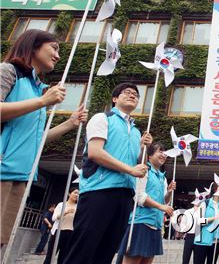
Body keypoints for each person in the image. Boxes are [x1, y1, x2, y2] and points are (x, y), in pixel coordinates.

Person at [1, 29, 88, 248]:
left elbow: (35, 139)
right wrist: (42, 102)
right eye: (54, 48)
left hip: (21, 175)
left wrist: (70, 123)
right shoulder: (8, 71)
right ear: (33, 46)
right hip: (2, 169)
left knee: (2, 241)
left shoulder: (36, 88)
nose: (58, 56)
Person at [62, 83, 152, 264]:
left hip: (125, 194)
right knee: (84, 248)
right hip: (99, 191)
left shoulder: (135, 132)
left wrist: (143, 148)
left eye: (136, 95)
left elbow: (135, 162)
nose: (132, 95)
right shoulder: (102, 118)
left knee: (106, 251)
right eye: (127, 92)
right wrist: (130, 170)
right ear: (115, 99)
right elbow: (95, 153)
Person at [116, 142, 176, 264]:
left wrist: (169, 192)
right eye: (160, 151)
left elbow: (164, 201)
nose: (163, 155)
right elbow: (139, 197)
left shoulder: (162, 178)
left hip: (156, 225)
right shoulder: (143, 170)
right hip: (141, 223)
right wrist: (161, 206)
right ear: (149, 156)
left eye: (164, 153)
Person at [43, 188, 79, 264]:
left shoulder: (78, 207)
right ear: (69, 194)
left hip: (70, 233)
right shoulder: (61, 205)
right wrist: (65, 212)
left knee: (64, 257)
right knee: (50, 256)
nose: (77, 195)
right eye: (75, 193)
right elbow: (53, 218)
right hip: (58, 232)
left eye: (78, 194)